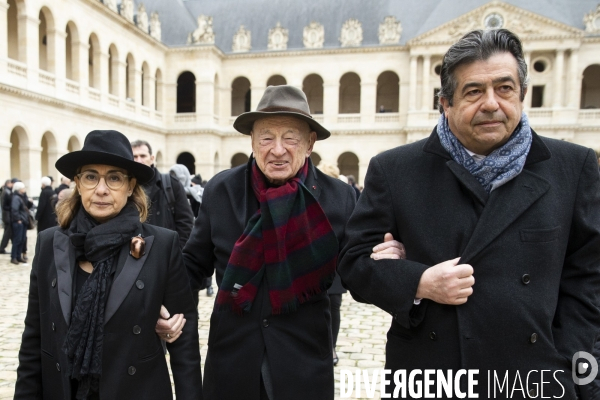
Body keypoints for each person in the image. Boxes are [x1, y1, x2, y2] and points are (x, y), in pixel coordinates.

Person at [339, 28, 600, 398]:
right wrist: (419, 282)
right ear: (445, 103)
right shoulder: (395, 169)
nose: (491, 103)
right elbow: (353, 262)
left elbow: (588, 279)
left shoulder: (573, 167)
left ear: (523, 95)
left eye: (505, 89)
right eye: (474, 91)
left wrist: (567, 368)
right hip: (431, 376)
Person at [159, 85, 356, 400]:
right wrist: (159, 296)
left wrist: (386, 263)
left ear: (310, 143)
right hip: (232, 362)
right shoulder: (222, 190)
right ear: (252, 141)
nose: (277, 149)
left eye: (290, 137)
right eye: (266, 137)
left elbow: (357, 271)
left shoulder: (338, 197)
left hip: (302, 365)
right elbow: (194, 265)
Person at [14, 130, 202, 400]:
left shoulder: (161, 245)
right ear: (78, 183)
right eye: (91, 176)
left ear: (130, 186)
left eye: (114, 178)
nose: (101, 189)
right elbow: (34, 338)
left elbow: (184, 343)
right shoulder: (49, 244)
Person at [131, 140, 194, 250]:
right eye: (134, 156)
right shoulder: (123, 187)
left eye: (142, 156)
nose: (139, 160)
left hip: (164, 254)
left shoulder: (171, 184)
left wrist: (175, 252)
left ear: (152, 159)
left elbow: (186, 223)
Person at [10, 181, 29, 265]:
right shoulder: (16, 198)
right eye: (23, 188)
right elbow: (14, 209)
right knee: (17, 240)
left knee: (22, 239)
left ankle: (18, 256)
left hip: (22, 221)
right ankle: (14, 257)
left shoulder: (20, 197)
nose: (24, 189)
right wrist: (18, 219)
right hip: (19, 222)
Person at [0, 178, 15, 254]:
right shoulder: (6, 192)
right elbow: (5, 205)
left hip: (7, 216)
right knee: (7, 233)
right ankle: (2, 248)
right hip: (7, 216)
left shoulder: (6, 191)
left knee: (9, 233)